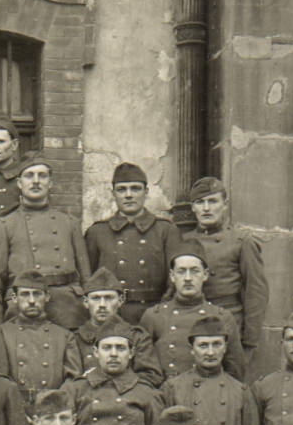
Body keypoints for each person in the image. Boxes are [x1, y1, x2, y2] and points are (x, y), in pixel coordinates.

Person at [0, 157, 90, 329]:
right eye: (29, 176)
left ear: (51, 183)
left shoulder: (69, 223)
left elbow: (86, 278)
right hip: (22, 309)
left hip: (67, 308)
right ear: (19, 183)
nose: (36, 181)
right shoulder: (4, 225)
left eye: (42, 176)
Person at [161, 313, 257, 425]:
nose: (210, 352)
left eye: (216, 344)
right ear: (192, 349)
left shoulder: (240, 390)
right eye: (203, 345)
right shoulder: (173, 388)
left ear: (225, 348)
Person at [183, 177, 268, 375]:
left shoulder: (241, 241)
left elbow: (256, 293)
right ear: (193, 208)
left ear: (225, 205)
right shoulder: (183, 241)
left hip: (229, 325)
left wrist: (249, 342)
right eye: (200, 202)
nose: (206, 208)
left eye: (212, 201)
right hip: (191, 323)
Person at [85, 162, 182, 324]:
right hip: (110, 316)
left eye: (135, 188)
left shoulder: (166, 230)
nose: (128, 195)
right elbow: (88, 279)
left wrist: (161, 313)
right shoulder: (97, 233)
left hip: (153, 314)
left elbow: (173, 281)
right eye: (122, 190)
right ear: (113, 194)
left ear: (146, 192)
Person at [140, 242, 244, 383]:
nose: (188, 278)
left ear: (205, 274)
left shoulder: (222, 317)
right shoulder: (154, 316)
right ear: (172, 276)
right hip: (165, 395)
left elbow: (234, 371)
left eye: (194, 271)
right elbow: (143, 369)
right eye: (181, 271)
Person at [67, 323, 162, 425]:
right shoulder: (75, 389)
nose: (113, 354)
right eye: (106, 348)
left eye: (120, 348)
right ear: (95, 352)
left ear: (131, 353)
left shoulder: (147, 393)